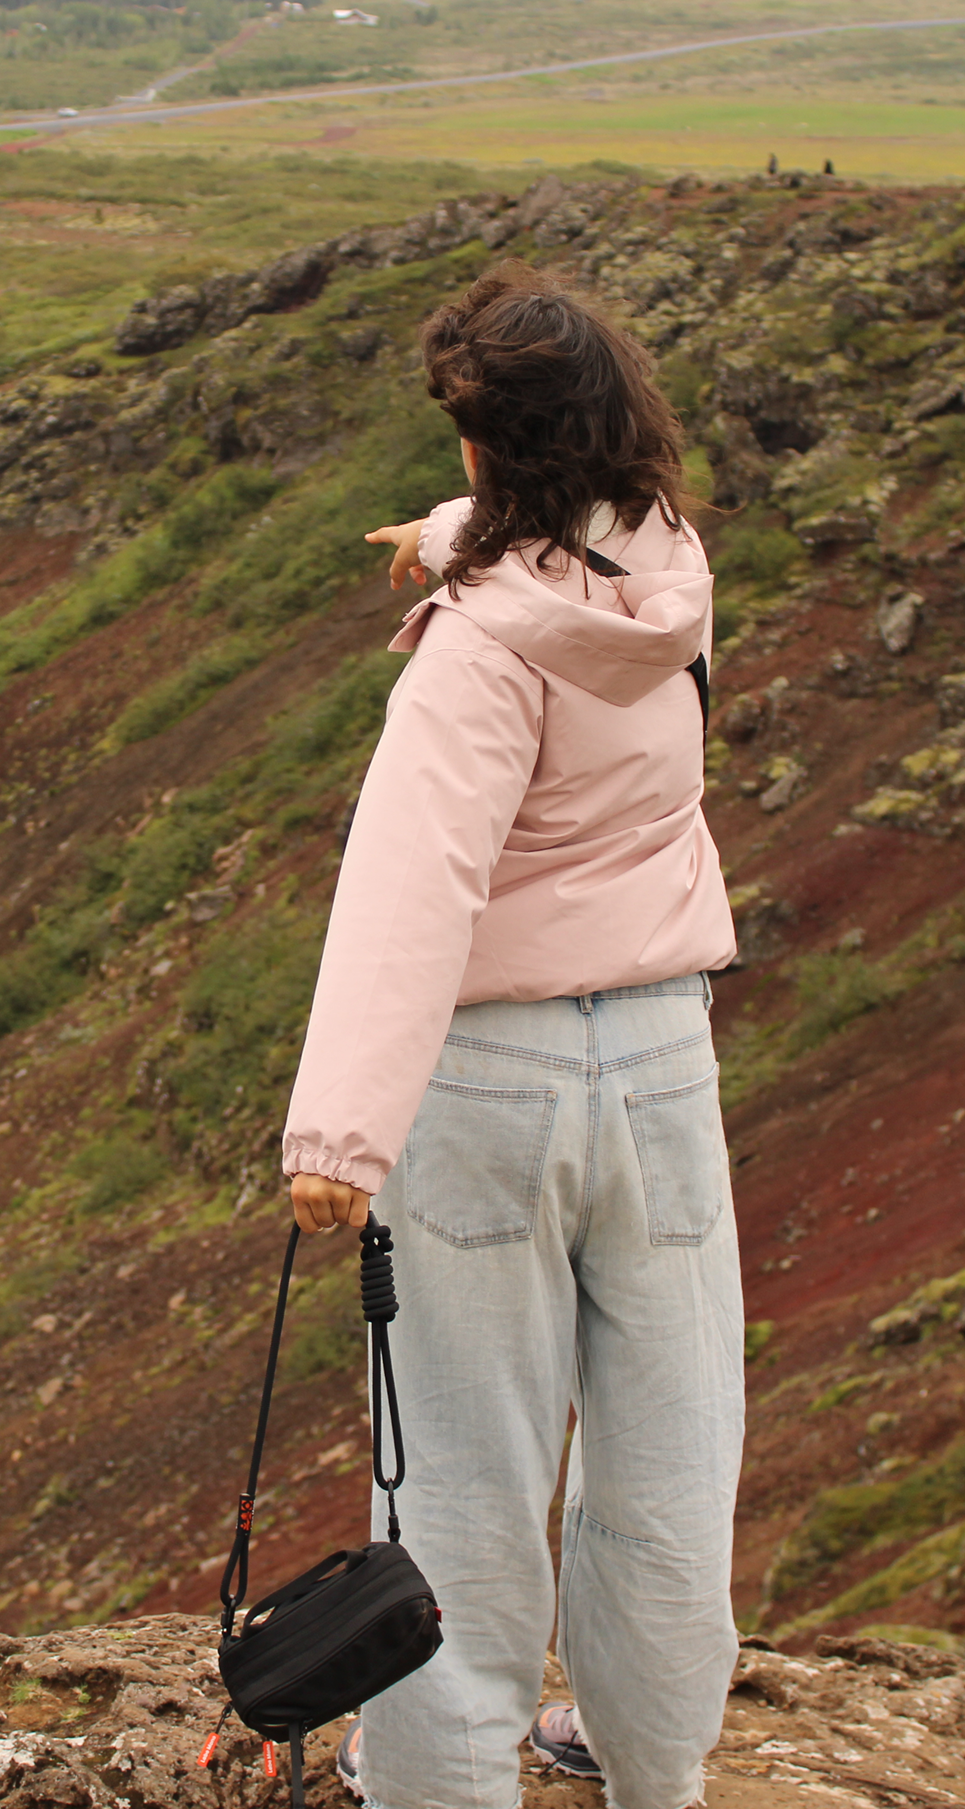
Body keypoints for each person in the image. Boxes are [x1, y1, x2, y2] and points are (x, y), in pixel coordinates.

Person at [287, 264, 741, 1809]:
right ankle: (653, 1771)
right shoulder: (666, 572)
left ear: (490, 451)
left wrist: (336, 1140)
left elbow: (411, 893)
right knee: (670, 1454)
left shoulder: (475, 655)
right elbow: (552, 552)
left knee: (467, 1477)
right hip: (665, 1064)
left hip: (488, 1084)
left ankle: (440, 1780)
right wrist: (439, 535)